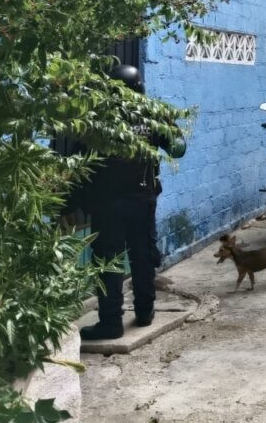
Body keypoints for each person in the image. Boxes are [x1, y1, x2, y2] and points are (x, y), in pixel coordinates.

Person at [79, 65, 186, 341]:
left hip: (106, 202)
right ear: (140, 87)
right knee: (143, 255)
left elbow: (82, 160)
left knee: (108, 259)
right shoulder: (152, 114)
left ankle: (111, 322)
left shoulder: (99, 117)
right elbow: (178, 149)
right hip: (142, 199)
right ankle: (145, 311)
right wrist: (168, 127)